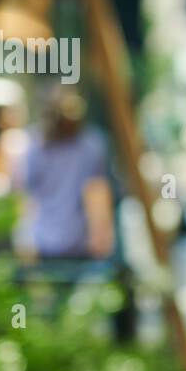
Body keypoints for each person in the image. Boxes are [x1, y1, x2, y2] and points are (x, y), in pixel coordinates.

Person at [12, 86, 115, 262]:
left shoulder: (37, 147)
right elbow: (27, 199)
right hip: (66, 246)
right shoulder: (90, 145)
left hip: (60, 245)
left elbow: (26, 197)